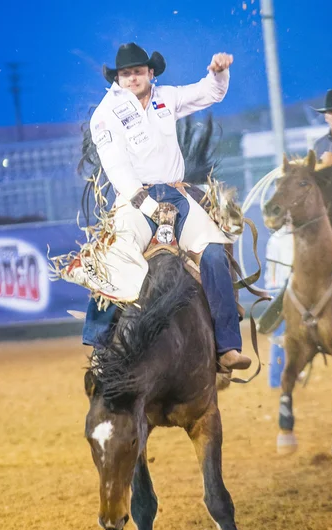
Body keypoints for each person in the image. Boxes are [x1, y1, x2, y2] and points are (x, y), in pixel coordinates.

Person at [64, 43, 250, 371]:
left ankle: (227, 346)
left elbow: (210, 93)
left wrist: (219, 73)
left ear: (151, 73)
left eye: (138, 72)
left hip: (177, 194)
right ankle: (99, 346)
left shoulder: (167, 97)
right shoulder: (106, 114)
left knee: (215, 250)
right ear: (118, 78)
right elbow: (116, 166)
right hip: (135, 199)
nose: (132, 78)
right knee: (113, 256)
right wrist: (148, 205)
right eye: (126, 74)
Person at [264, 227, 293, 388]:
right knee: (279, 335)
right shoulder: (277, 239)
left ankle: (291, 371)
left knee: (294, 335)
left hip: (291, 290)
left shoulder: (289, 236)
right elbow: (273, 270)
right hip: (279, 292)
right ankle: (275, 379)